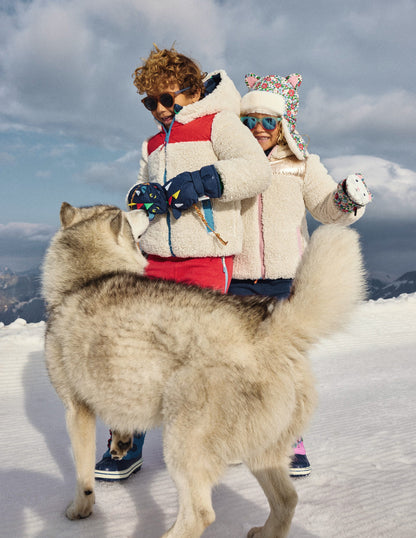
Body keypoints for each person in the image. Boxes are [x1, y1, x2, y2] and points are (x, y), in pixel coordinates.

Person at [94, 46, 271, 481]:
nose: (159, 109)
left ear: (192, 91)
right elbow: (138, 189)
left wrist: (204, 182)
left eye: (168, 98)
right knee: (133, 348)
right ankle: (125, 441)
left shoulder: (219, 124)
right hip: (155, 259)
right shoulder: (152, 142)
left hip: (207, 256)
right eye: (149, 101)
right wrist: (140, 197)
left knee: (203, 355)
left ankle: (214, 434)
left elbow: (255, 171)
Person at [228, 73, 372, 477]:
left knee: (285, 363)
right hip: (237, 277)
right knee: (242, 362)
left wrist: (347, 198)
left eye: (267, 121)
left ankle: (290, 438)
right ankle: (245, 433)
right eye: (248, 120)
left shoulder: (302, 165)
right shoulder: (233, 164)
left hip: (285, 277)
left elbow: (328, 208)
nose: (257, 128)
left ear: (283, 125)